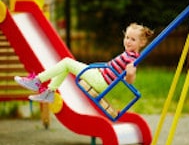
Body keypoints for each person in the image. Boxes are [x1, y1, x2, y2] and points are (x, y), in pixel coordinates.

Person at [14, 23, 154, 103]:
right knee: (66, 66)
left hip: (100, 80)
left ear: (141, 43)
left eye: (133, 40)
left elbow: (130, 79)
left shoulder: (132, 59)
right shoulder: (129, 54)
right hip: (99, 74)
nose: (128, 41)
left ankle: (37, 81)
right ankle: (49, 92)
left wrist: (130, 74)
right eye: (127, 37)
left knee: (67, 62)